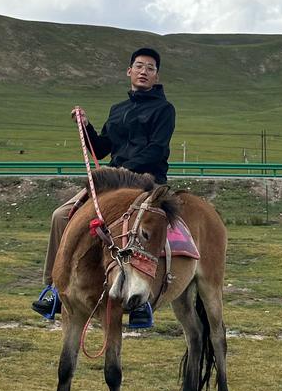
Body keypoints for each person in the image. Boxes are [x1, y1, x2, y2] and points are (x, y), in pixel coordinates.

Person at [32, 47, 176, 322]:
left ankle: (143, 300)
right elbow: (100, 149)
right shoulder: (117, 110)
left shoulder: (164, 110)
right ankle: (54, 288)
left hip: (146, 182)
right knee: (61, 215)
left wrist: (124, 172)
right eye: (139, 66)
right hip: (113, 183)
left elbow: (157, 150)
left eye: (150, 68)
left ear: (156, 76)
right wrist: (86, 126)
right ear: (129, 71)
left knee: (143, 229)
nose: (144, 71)